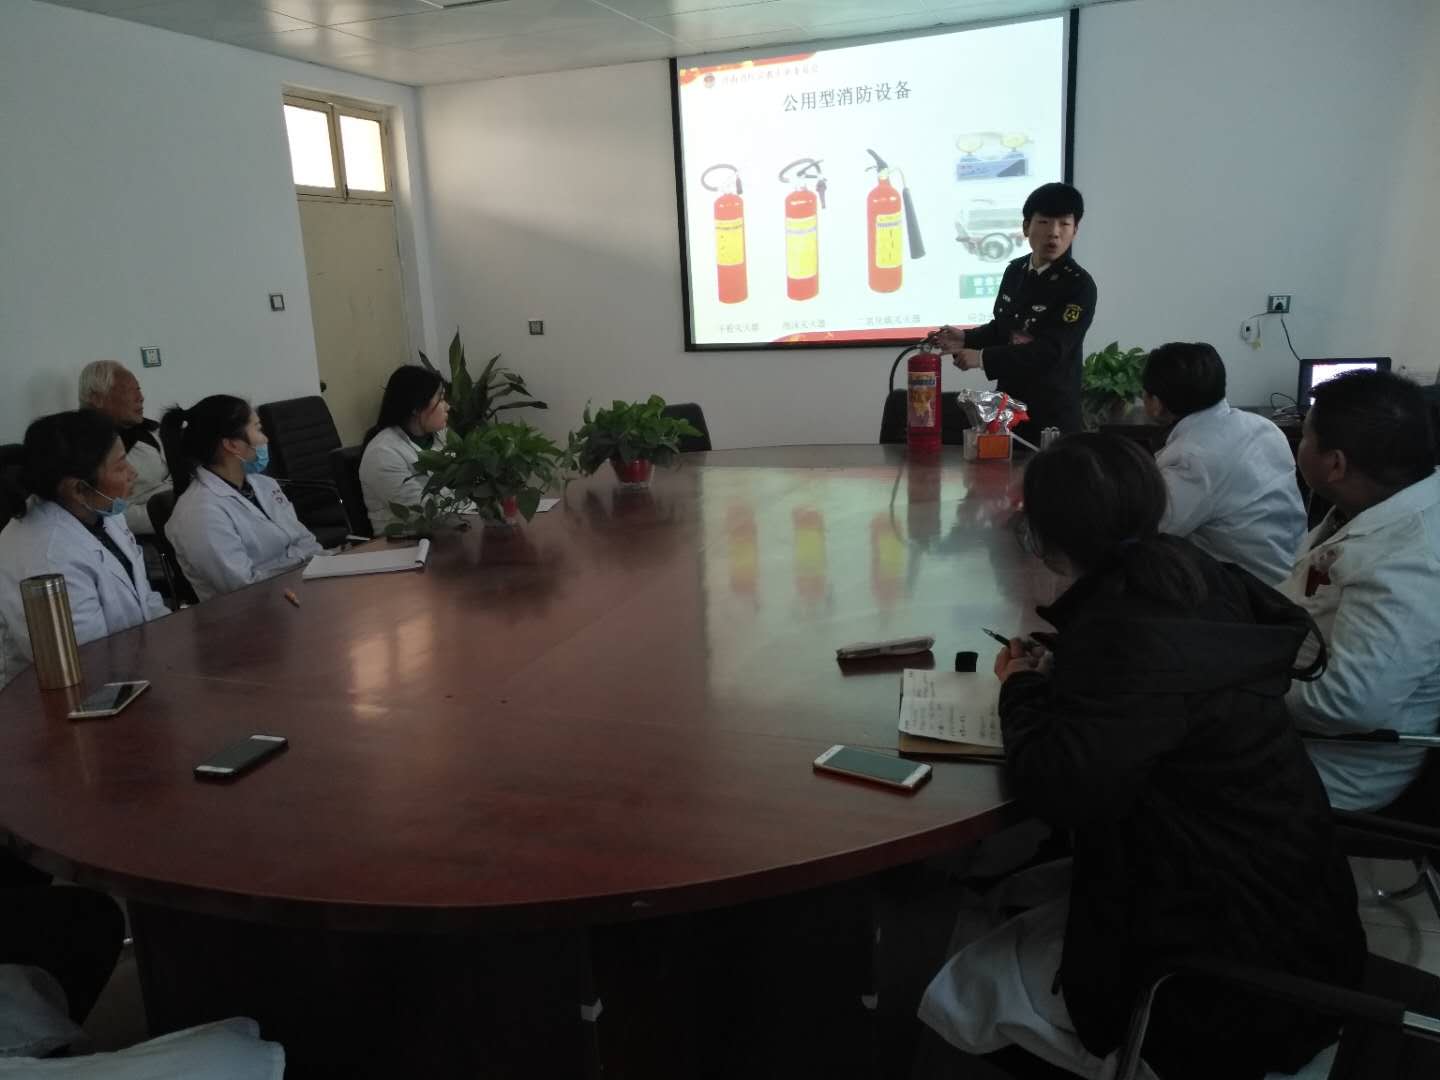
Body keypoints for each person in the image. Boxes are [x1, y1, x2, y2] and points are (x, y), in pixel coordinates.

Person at [918, 434, 1363, 1080]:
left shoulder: (1124, 638)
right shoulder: (1196, 576)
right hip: (1298, 927)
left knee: (956, 964)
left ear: (1044, 535)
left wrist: (1020, 687)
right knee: (1010, 893)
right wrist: (1066, 668)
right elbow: (1154, 698)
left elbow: (1056, 787)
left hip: (1223, 990)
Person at [1281, 370, 1440, 811]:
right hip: (1293, 700)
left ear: (1335, 464)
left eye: (1305, 436)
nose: (1299, 445)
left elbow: (1345, 704)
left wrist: (1241, 678)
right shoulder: (1378, 503)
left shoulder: (1410, 562)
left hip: (1333, 770)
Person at [0, 410, 170, 688]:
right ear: (78, 489)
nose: (133, 473)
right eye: (120, 466)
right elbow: (88, 661)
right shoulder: (47, 556)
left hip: (131, 670)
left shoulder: (101, 511)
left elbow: (146, 599)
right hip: (67, 694)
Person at [934, 183, 1096, 440]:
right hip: (1007, 411)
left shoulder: (1079, 285)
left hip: (1052, 417)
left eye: (1064, 224)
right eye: (1044, 222)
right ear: (1026, 227)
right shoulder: (1015, 271)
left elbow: (1051, 350)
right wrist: (966, 338)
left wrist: (983, 358)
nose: (1054, 233)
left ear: (1075, 230)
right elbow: (1004, 328)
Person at [1142, 342, 1305, 584]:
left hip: (1250, 591)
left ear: (1156, 404)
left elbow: (1152, 528)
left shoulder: (1191, 457)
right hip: (1293, 569)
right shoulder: (1263, 426)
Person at [160, 395, 322, 602]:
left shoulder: (264, 485)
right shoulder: (198, 513)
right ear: (232, 445)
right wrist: (301, 562)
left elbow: (306, 541)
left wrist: (322, 563)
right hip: (252, 611)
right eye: (258, 429)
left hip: (299, 589)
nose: (265, 439)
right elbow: (242, 587)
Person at [78, 361, 171, 537]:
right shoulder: (85, 447)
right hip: (145, 534)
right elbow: (105, 511)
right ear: (97, 398)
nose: (140, 397)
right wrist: (174, 514)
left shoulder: (149, 431)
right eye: (130, 391)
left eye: (139, 389)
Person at [359, 366, 450, 534]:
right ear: (416, 407)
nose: (447, 407)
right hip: (406, 541)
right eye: (441, 399)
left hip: (449, 530)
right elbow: (423, 511)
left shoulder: (441, 436)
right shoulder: (382, 454)